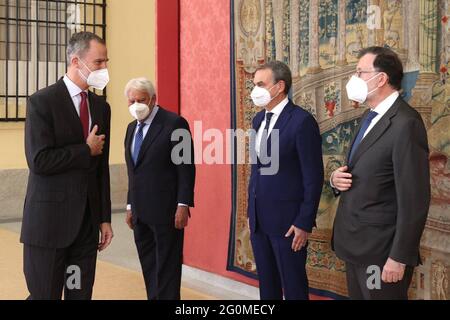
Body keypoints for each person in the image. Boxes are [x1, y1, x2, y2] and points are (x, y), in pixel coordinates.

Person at [331, 46, 430, 300]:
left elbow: (415, 199)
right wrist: (335, 179)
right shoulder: (368, 116)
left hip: (381, 254)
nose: (354, 79)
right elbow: (360, 168)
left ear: (382, 78)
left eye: (360, 72)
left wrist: (398, 257)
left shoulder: (406, 124)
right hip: (354, 246)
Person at [21, 31, 113, 300]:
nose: (104, 68)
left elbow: (101, 168)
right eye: (98, 62)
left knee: (80, 294)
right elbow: (39, 160)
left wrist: (104, 218)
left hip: (86, 226)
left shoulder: (101, 107)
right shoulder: (42, 102)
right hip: (48, 225)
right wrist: (85, 149)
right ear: (76, 62)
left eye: (106, 61)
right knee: (44, 295)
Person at [247, 61, 324, 300]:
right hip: (260, 219)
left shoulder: (301, 121)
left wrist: (303, 221)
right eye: (253, 85)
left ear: (279, 86)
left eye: (260, 84)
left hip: (289, 223)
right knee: (267, 287)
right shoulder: (258, 121)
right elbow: (257, 168)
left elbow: (313, 177)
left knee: (293, 287)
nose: (255, 90)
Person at [124, 77, 195, 300]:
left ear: (153, 99)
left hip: (167, 211)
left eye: (141, 100)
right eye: (131, 101)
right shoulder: (130, 128)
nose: (136, 105)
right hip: (140, 212)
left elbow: (186, 168)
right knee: (148, 265)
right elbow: (132, 171)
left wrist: (183, 204)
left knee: (167, 268)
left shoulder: (175, 123)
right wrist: (129, 205)